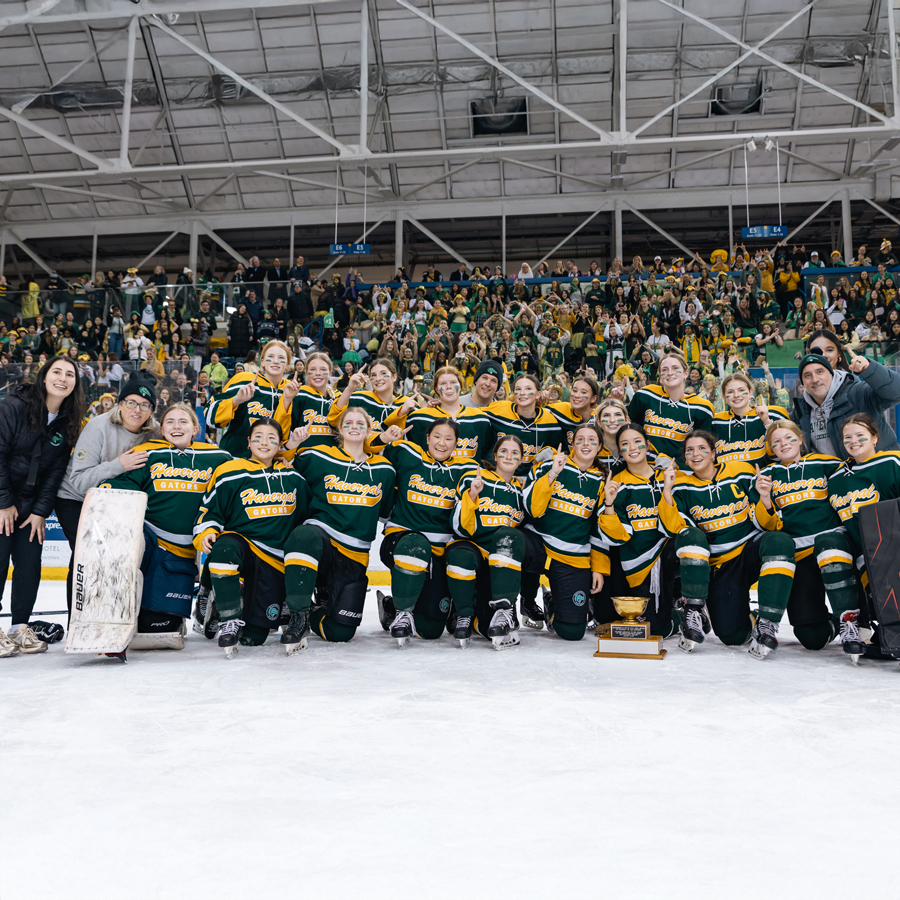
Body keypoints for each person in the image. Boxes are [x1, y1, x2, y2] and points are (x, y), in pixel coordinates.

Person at [100, 404, 231, 648]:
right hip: (151, 542)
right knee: (151, 626)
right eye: (170, 422)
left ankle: (209, 592)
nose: (176, 426)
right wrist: (105, 490)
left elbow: (244, 477)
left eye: (183, 422)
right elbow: (124, 484)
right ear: (161, 429)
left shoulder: (219, 457)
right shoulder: (148, 453)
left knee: (163, 626)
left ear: (195, 429)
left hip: (188, 548)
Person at [658, 430, 796, 655]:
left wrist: (764, 498)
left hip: (748, 551)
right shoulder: (681, 485)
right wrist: (667, 489)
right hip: (719, 565)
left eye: (702, 448)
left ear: (713, 453)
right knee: (733, 635)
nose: (696, 454)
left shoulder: (740, 471)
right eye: (689, 450)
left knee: (779, 541)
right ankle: (698, 611)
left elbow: (768, 525)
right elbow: (676, 529)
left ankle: (768, 622)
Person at [280, 407, 396, 645]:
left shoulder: (384, 469)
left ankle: (314, 610)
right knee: (303, 536)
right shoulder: (318, 455)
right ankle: (298, 615)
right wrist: (292, 443)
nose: (354, 427)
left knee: (340, 633)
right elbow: (281, 462)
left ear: (368, 430)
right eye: (349, 423)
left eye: (360, 423)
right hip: (321, 537)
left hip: (354, 553)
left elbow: (385, 512)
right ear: (340, 429)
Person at [194, 419, 308, 657]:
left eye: (271, 438)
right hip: (241, 547)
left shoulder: (294, 477)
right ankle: (227, 616)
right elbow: (209, 511)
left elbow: (304, 521)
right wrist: (206, 532)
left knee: (253, 638)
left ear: (279, 444)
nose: (264, 442)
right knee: (223, 547)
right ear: (248, 441)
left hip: (274, 559)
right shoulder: (229, 471)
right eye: (258, 436)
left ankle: (232, 599)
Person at [0, 356, 86, 657]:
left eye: (70, 375)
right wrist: (4, 503)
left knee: (29, 566)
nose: (63, 378)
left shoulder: (68, 420)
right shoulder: (13, 406)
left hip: (29, 508)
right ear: (44, 375)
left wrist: (40, 512)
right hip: (2, 502)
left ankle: (20, 627)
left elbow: (54, 474)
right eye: (57, 372)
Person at [753, 421, 860, 660]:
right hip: (800, 554)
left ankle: (851, 622)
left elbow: (853, 492)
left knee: (829, 545)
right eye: (776, 442)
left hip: (834, 545)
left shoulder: (828, 464)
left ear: (801, 439)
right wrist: (765, 499)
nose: (784, 444)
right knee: (812, 638)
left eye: (789, 438)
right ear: (771, 448)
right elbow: (766, 527)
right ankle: (832, 625)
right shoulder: (766, 476)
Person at [54, 372, 158, 613]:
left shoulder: (154, 433)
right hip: (75, 498)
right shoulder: (98, 426)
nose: (137, 409)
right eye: (131, 402)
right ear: (120, 404)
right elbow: (78, 481)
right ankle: (78, 619)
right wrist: (118, 465)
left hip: (114, 502)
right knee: (85, 553)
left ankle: (113, 614)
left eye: (145, 405)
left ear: (152, 411)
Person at [375, 419, 477, 645]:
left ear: (456, 443)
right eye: (437, 436)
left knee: (429, 629)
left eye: (449, 438)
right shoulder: (407, 452)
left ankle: (390, 606)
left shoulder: (465, 469)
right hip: (401, 540)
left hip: (437, 551)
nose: (442, 443)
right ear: (427, 438)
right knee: (415, 545)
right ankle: (402, 612)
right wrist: (385, 437)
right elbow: (368, 449)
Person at [446, 435, 540, 649]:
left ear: (522, 459)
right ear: (495, 455)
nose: (509, 456)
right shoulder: (477, 478)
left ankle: (496, 612)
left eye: (515, 453)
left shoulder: (522, 492)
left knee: (492, 630)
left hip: (500, 567)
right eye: (504, 451)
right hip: (473, 551)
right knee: (461, 556)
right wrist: (472, 495)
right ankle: (463, 614)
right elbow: (462, 528)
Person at [827, 413, 900, 659]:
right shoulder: (836, 478)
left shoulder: (892, 461)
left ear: (875, 438)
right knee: (882, 603)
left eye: (860, 436)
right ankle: (886, 636)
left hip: (894, 551)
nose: (853, 441)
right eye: (847, 437)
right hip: (865, 557)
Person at [524, 425, 606, 641]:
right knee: (508, 542)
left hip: (572, 555)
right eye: (580, 439)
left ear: (599, 447)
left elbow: (597, 529)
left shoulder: (603, 481)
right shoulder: (550, 466)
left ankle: (552, 602)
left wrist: (597, 568)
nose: (586, 444)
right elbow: (533, 510)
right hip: (538, 543)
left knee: (573, 632)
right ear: (572, 445)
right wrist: (553, 473)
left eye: (592, 440)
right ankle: (505, 607)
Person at [598, 424, 678, 638]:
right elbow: (616, 537)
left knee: (690, 541)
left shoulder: (668, 476)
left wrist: (667, 490)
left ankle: (692, 604)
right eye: (624, 444)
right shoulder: (617, 484)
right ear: (620, 451)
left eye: (636, 441)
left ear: (647, 444)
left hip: (668, 553)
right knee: (656, 628)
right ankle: (676, 615)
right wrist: (609, 505)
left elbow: (675, 528)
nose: (632, 447)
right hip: (639, 561)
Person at [792, 350, 900, 455]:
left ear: (831, 374)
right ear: (802, 382)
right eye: (807, 375)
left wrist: (869, 369)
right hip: (832, 473)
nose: (815, 379)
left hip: (878, 469)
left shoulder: (858, 393)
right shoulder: (800, 411)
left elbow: (896, 392)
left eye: (820, 372)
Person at [204, 340, 292, 458]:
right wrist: (236, 400)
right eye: (270, 356)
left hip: (268, 464)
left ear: (287, 364)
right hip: (235, 458)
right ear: (262, 362)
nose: (275, 361)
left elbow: (285, 435)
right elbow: (210, 416)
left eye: (281, 357)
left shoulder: (290, 390)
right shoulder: (245, 379)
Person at [628, 351, 714, 465]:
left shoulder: (702, 407)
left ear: (685, 373)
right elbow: (629, 429)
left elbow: (704, 446)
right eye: (664, 370)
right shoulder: (646, 395)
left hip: (681, 472)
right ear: (660, 375)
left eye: (675, 368)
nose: (669, 373)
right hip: (645, 468)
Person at [399, 367, 494, 463]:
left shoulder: (480, 418)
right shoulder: (419, 418)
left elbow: (486, 455)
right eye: (443, 384)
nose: (448, 387)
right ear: (436, 389)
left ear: (460, 386)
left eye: (453, 382)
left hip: (469, 476)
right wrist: (402, 413)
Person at [484, 373, 564, 473]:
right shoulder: (499, 409)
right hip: (498, 477)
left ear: (538, 394)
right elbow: (470, 415)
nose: (522, 393)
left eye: (528, 389)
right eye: (518, 389)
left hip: (530, 482)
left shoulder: (550, 421)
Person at [712, 372, 789, 465]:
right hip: (726, 478)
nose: (736, 395)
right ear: (724, 396)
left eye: (741, 390)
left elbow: (780, 455)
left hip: (763, 478)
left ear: (750, 392)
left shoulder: (772, 414)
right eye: (730, 392)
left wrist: (767, 422)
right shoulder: (715, 421)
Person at [328, 357, 411, 435]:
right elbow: (335, 421)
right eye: (373, 375)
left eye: (383, 373)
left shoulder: (407, 403)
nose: (378, 378)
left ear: (394, 377)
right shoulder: (361, 398)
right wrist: (349, 389)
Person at [545, 375, 600, 450]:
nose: (577, 395)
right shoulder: (562, 409)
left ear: (593, 398)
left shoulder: (600, 417)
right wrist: (538, 401)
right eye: (574, 391)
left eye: (583, 392)